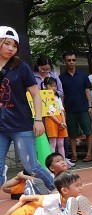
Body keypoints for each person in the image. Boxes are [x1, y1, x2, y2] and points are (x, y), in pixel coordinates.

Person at [0, 27, 56, 192]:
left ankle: (54, 188)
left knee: (31, 166)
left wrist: (38, 120)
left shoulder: (21, 67)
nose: (11, 48)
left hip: (21, 124)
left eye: (14, 45)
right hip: (1, 126)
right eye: (7, 44)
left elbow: (36, 95)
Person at [4, 170, 83, 215]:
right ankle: (28, 190)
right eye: (77, 185)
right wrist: (23, 199)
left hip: (52, 212)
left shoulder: (77, 199)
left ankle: (31, 188)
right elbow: (38, 198)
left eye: (81, 185)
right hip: (34, 210)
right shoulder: (54, 198)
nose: (81, 188)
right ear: (65, 190)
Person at [59, 51, 92, 162]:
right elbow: (62, 95)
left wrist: (90, 106)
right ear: (65, 62)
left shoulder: (83, 75)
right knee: (72, 134)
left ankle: (89, 154)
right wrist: (62, 109)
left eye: (73, 60)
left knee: (88, 132)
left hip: (83, 108)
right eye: (69, 60)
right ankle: (74, 155)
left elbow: (88, 92)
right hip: (69, 110)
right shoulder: (61, 77)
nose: (71, 62)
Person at [2, 152, 68, 196]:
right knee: (4, 187)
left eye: (62, 160)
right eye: (58, 161)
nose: (62, 162)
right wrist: (21, 176)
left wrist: (22, 176)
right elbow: (5, 188)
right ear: (52, 168)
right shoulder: (49, 176)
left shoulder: (69, 175)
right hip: (35, 187)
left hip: (44, 192)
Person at [42, 77, 68, 158]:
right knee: (53, 143)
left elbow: (62, 110)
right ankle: (52, 162)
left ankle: (63, 160)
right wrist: (59, 123)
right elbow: (48, 113)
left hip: (60, 119)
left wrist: (63, 122)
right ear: (45, 86)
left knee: (61, 144)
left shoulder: (57, 97)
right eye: (51, 86)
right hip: (51, 120)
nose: (54, 88)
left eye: (55, 86)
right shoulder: (44, 97)